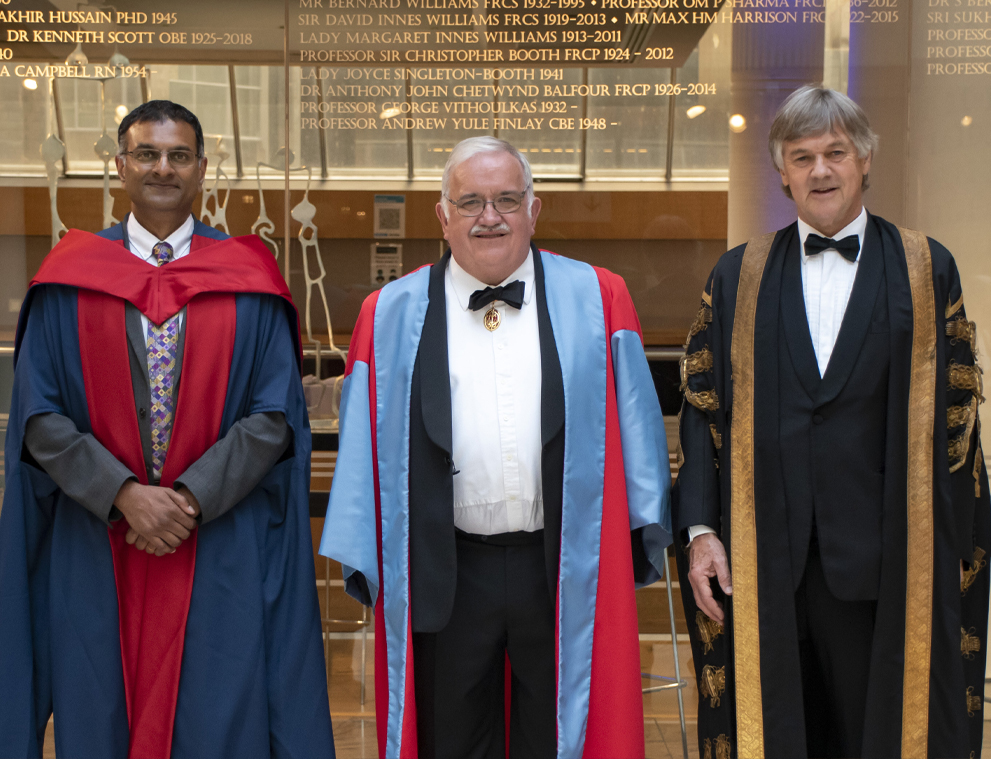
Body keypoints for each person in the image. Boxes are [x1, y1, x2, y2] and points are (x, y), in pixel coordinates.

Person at [0, 100, 335, 759]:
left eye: (179, 155)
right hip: (96, 539)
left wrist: (187, 498)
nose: (163, 167)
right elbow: (39, 413)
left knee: (220, 711)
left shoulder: (249, 278)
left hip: (217, 538)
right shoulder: (69, 277)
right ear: (120, 166)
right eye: (147, 154)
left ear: (202, 169)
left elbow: (273, 415)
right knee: (97, 709)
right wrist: (124, 493)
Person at [320, 136, 672, 759]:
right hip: (446, 571)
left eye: (508, 200)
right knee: (450, 740)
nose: (490, 217)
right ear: (443, 215)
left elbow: (637, 426)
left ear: (534, 211)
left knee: (560, 737)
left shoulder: (598, 296)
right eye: (472, 201)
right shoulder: (389, 312)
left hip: (561, 566)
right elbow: (361, 454)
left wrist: (640, 536)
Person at [674, 84, 990, 758]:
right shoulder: (737, 276)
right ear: (781, 171)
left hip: (883, 566)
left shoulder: (925, 267)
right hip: (761, 565)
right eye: (802, 156)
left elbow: (958, 415)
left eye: (835, 153)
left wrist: (953, 542)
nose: (820, 170)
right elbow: (700, 412)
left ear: (865, 160)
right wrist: (700, 530)